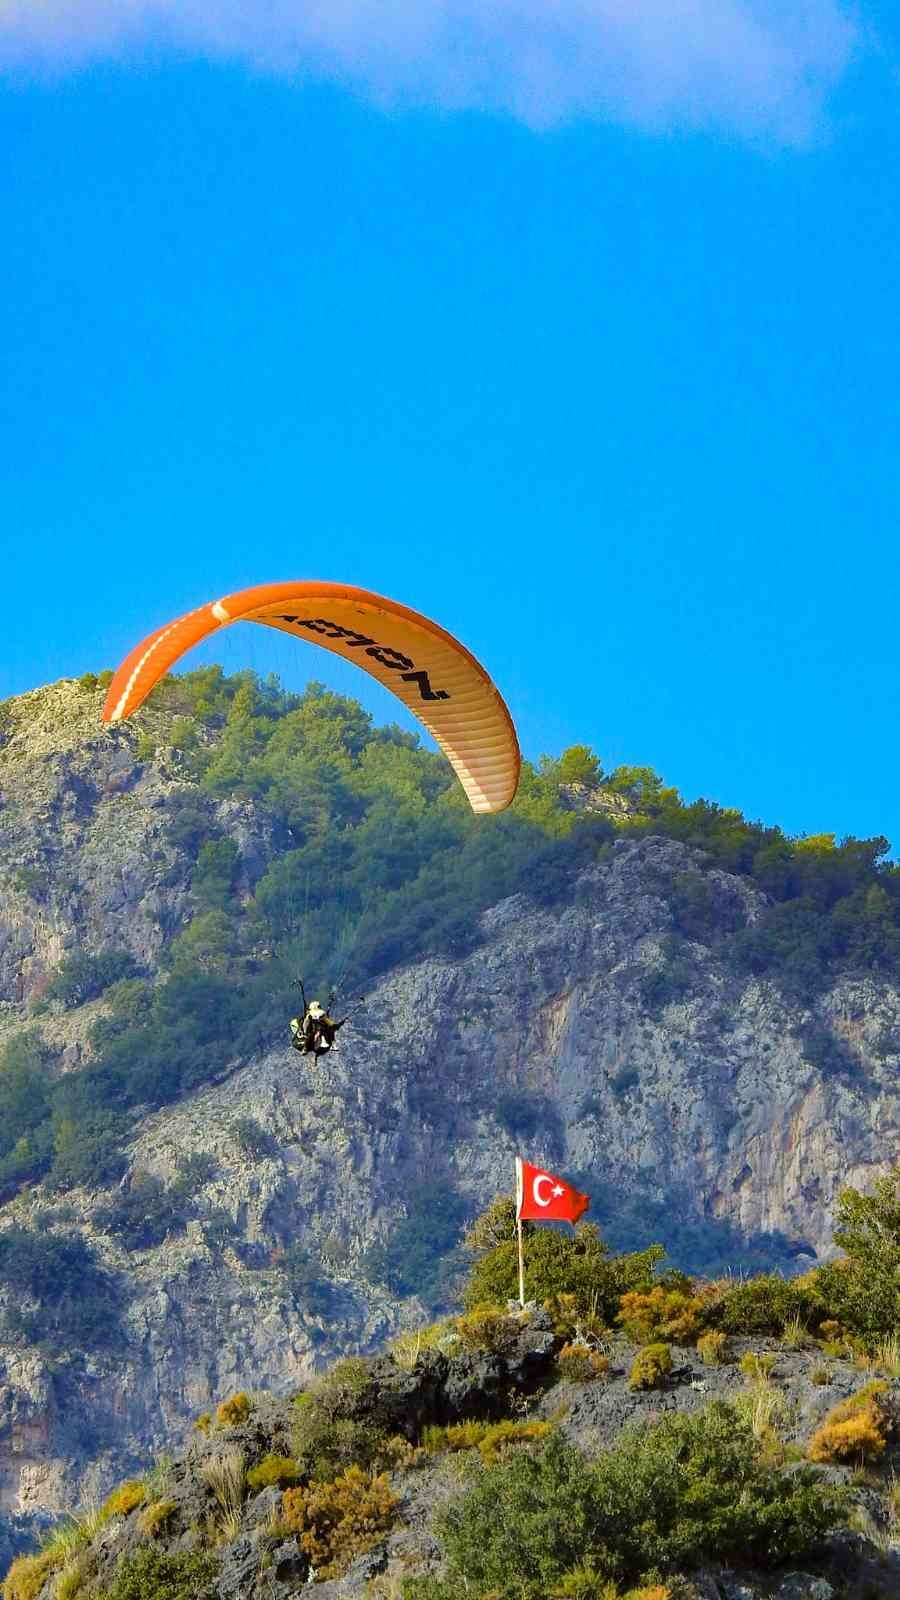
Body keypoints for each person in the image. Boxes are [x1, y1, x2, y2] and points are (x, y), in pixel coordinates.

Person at [290, 994, 345, 1059]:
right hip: (302, 1042)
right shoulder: (305, 1020)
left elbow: (333, 1026)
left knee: (327, 1029)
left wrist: (341, 1022)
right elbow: (305, 1024)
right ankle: (307, 1049)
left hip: (311, 1043)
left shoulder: (321, 1018)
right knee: (322, 1031)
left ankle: (331, 1045)